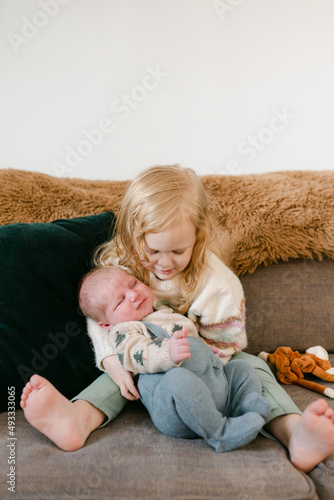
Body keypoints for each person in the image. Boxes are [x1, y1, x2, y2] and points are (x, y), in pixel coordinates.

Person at [21, 165, 334, 472]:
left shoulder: (217, 283)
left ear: (197, 238)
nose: (164, 263)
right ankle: (78, 419)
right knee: (117, 376)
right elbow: (101, 318)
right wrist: (115, 364)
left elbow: (225, 340)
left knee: (255, 368)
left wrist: (198, 370)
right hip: (142, 353)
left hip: (209, 358)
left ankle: (293, 432)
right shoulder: (120, 265)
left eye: (177, 251)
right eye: (153, 251)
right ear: (133, 235)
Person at [77, 265, 270, 452]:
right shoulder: (124, 332)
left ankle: (247, 409)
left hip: (213, 385)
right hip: (177, 409)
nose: (133, 294)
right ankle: (219, 433)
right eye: (120, 301)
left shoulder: (166, 313)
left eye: (133, 284)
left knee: (240, 368)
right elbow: (135, 354)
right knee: (178, 379)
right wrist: (167, 353)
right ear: (106, 325)